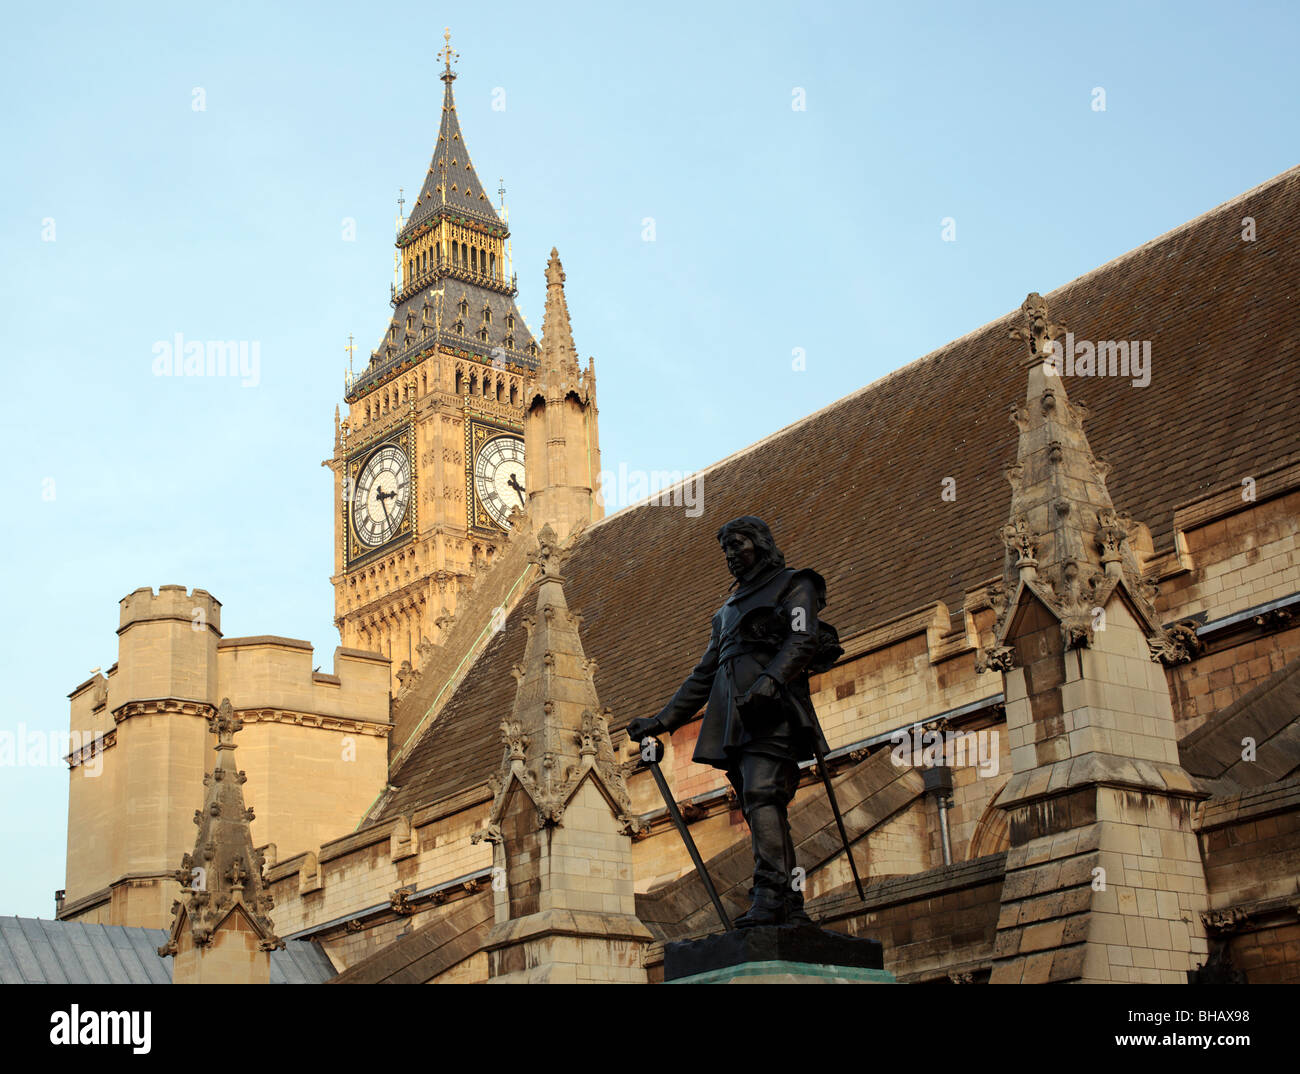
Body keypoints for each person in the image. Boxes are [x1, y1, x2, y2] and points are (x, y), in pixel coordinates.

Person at [626, 516, 842, 927]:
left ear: (760, 544)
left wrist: (771, 679)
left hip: (772, 712)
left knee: (762, 793)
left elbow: (803, 639)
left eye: (737, 545)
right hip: (734, 721)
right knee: (759, 803)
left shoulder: (796, 584)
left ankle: (769, 893)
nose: (730, 556)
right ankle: (788, 904)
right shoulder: (725, 612)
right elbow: (704, 674)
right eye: (725, 549)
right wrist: (662, 720)